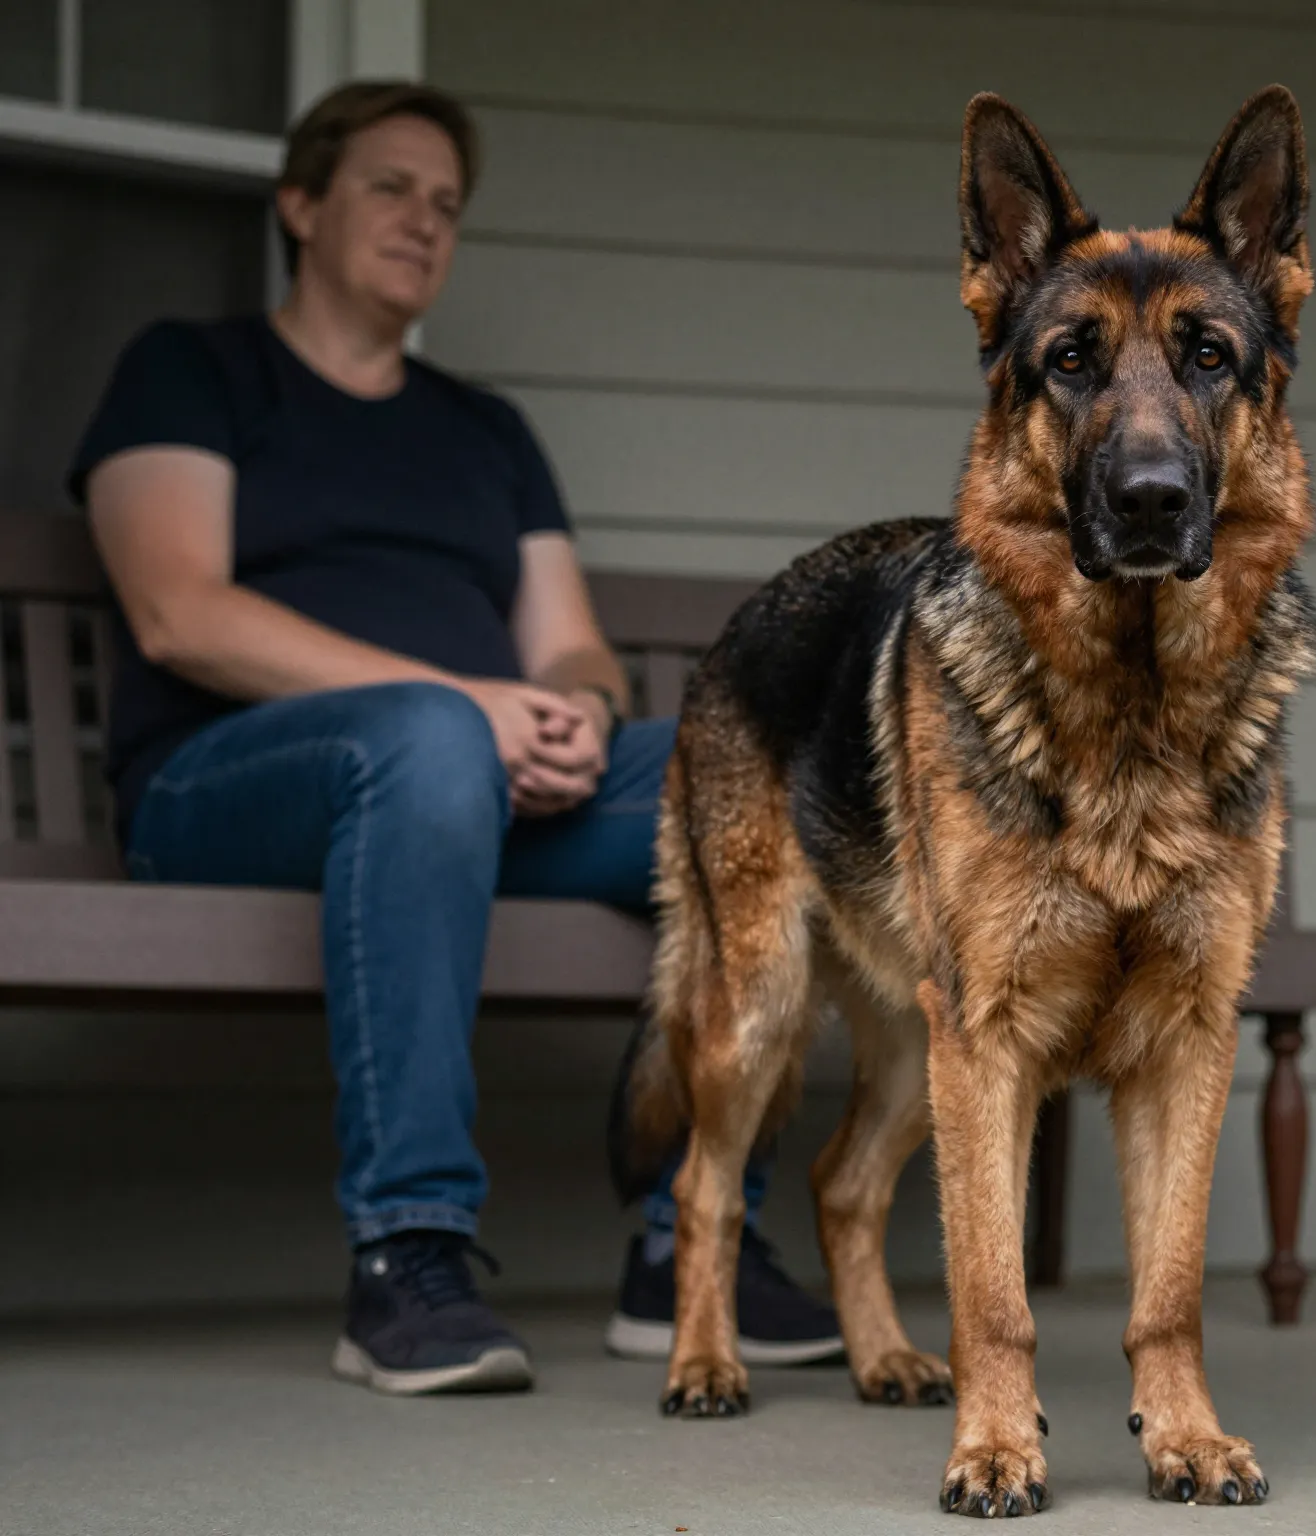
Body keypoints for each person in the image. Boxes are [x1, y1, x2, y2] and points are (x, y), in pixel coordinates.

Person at [69, 80, 841, 1395]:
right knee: (424, 739)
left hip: (466, 790)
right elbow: (176, 611)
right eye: (389, 188)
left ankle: (691, 1249)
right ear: (300, 205)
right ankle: (405, 1254)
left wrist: (574, 718)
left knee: (754, 766)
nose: (424, 221)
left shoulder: (484, 431)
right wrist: (468, 706)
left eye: (447, 205)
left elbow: (570, 643)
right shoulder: (191, 370)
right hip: (227, 789)